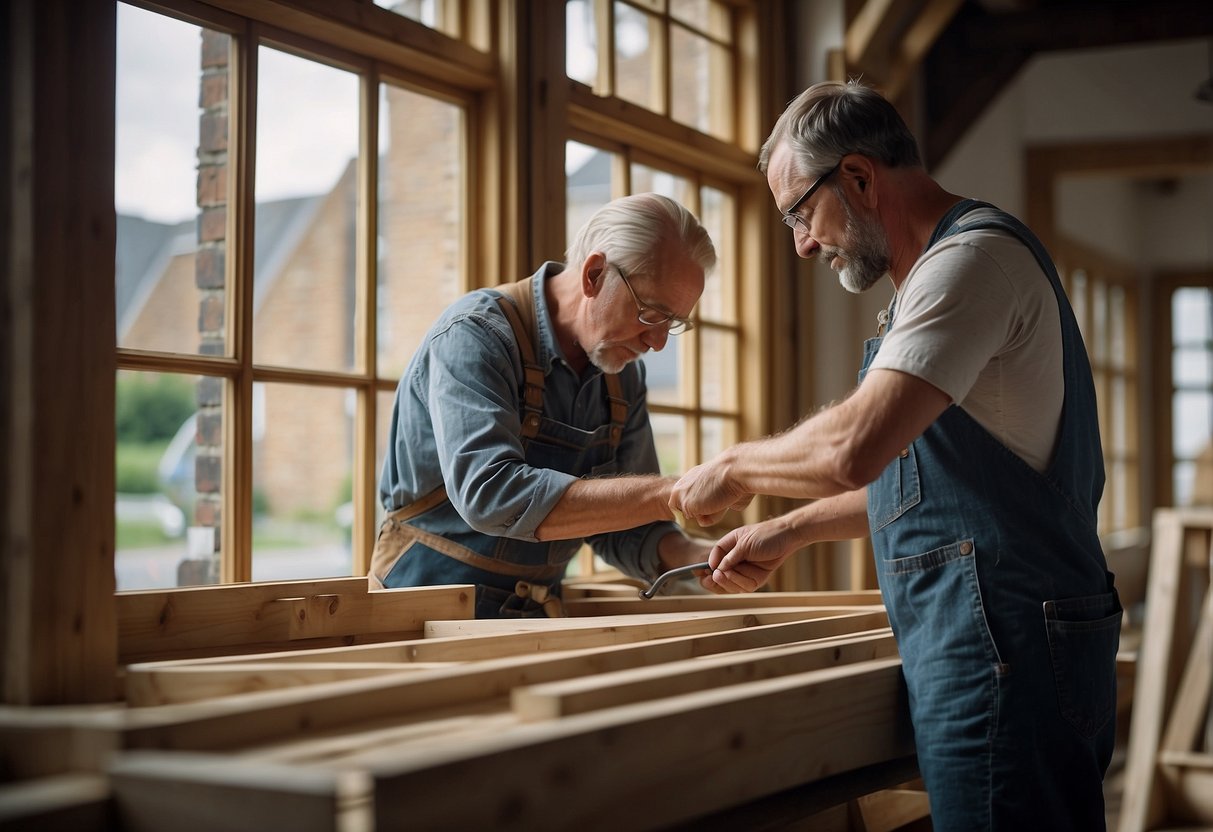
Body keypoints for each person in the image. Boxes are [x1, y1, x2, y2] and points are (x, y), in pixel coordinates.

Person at [669, 80, 1121, 831]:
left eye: (798, 213)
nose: (802, 243)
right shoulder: (937, 277)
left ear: (856, 177)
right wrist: (791, 531)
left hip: (1001, 644)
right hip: (998, 637)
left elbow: (854, 448)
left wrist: (735, 468)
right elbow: (936, 486)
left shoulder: (968, 264)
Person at [374, 193, 718, 618]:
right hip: (422, 610)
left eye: (675, 322)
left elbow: (626, 525)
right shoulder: (476, 335)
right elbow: (490, 493)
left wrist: (698, 555)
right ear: (594, 274)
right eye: (651, 313)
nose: (659, 341)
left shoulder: (621, 375)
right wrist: (673, 492)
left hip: (533, 617)